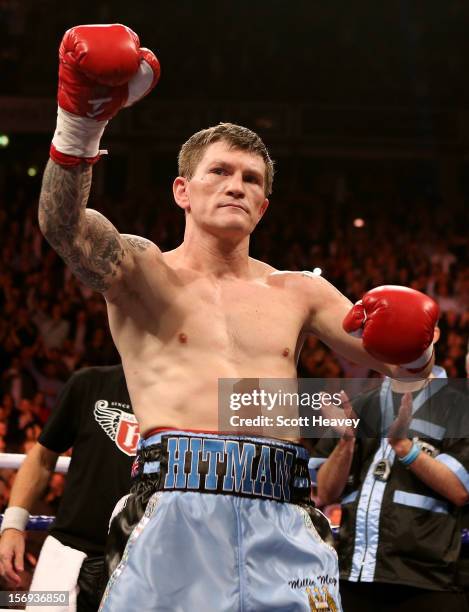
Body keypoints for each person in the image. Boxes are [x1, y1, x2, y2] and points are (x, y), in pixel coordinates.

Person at [37, 24, 439, 611]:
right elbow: (63, 226)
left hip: (286, 513)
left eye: (251, 179)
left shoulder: (300, 290)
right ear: (182, 190)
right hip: (173, 503)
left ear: (265, 205)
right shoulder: (142, 270)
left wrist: (419, 347)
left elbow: (411, 372)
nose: (236, 186)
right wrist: (81, 121)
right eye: (220, 172)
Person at [312, 343, 469, 612]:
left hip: (428, 579)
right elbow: (325, 493)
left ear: (435, 335)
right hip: (355, 574)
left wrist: (403, 447)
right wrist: (347, 442)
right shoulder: (361, 404)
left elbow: (459, 488)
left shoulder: (459, 405)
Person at [0, 365, 137, 612]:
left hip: (143, 561)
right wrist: (13, 525)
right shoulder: (89, 382)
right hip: (66, 556)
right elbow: (42, 457)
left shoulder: (205, 393)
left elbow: (232, 430)